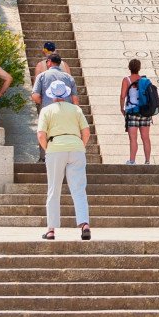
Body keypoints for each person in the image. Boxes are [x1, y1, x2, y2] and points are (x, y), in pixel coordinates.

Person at [37, 80, 92, 241]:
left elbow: (41, 134)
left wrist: (49, 149)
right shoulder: (76, 109)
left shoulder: (47, 110)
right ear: (66, 94)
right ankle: (84, 224)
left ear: (52, 96)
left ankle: (51, 230)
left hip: (55, 147)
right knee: (79, 189)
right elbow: (86, 131)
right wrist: (80, 145)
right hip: (76, 147)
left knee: (54, 189)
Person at [120, 58, 154, 165]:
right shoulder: (145, 81)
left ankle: (132, 160)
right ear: (139, 68)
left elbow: (122, 96)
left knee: (133, 138)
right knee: (146, 138)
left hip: (132, 112)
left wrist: (122, 108)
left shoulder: (127, 80)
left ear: (129, 68)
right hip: (145, 112)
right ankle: (147, 161)